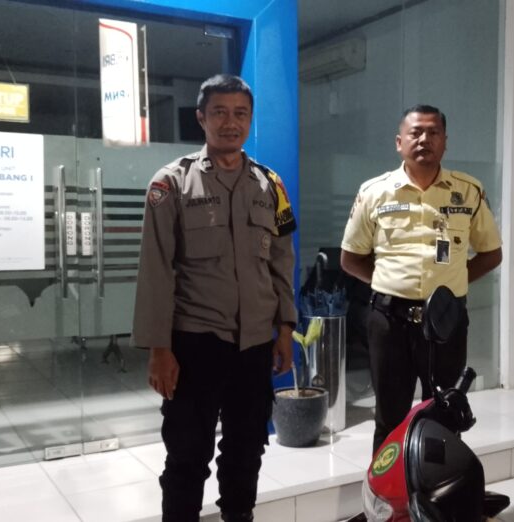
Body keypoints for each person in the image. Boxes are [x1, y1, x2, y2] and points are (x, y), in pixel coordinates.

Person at [132, 74, 297, 522]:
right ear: (201, 118)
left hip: (255, 344)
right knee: (187, 455)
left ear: (250, 120)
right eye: (220, 112)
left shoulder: (270, 186)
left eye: (240, 113)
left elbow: (281, 260)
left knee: (247, 450)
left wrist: (285, 328)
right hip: (195, 343)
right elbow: (155, 270)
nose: (230, 123)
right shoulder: (171, 184)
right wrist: (159, 350)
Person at [340, 105, 502, 453]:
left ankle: (437, 486)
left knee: (443, 415)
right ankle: (386, 488)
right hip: (389, 322)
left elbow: (491, 254)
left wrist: (451, 287)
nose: (424, 139)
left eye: (433, 132)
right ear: (399, 142)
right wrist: (386, 281)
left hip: (446, 323)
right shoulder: (375, 192)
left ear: (445, 142)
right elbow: (350, 259)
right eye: (415, 132)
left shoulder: (468, 191)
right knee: (389, 418)